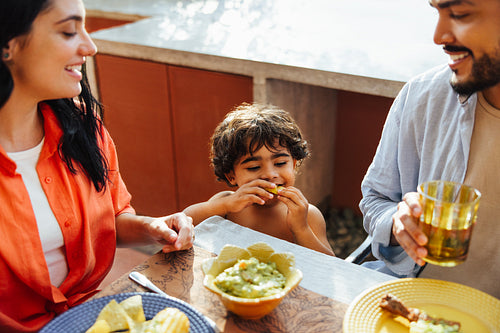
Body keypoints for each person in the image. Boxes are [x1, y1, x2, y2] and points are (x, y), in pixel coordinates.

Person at [0, 0, 195, 331]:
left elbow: (112, 219)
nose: (90, 46)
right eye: (68, 31)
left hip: (93, 315)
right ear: (9, 46)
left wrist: (151, 227)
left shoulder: (81, 127)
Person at [360, 0, 500, 298]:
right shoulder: (422, 95)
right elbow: (376, 199)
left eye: (460, 14)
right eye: (437, 12)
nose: (438, 36)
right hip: (408, 303)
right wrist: (398, 222)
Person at [183, 103, 335, 256]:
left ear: (294, 165)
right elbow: (185, 222)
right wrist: (224, 205)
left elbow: (330, 267)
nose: (269, 174)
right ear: (231, 176)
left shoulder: (307, 215)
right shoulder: (226, 206)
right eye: (254, 167)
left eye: (280, 163)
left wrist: (301, 229)